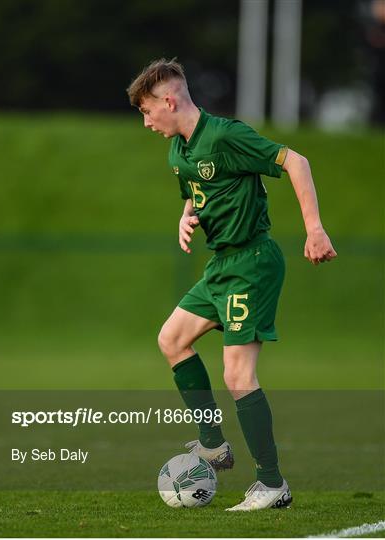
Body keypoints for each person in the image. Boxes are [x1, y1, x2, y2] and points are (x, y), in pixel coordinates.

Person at [127, 58, 337, 511]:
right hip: (220, 266)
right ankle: (214, 446)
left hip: (253, 262)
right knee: (172, 339)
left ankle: (271, 484)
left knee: (238, 375)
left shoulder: (225, 135)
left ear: (169, 100)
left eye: (147, 111)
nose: (146, 123)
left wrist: (314, 228)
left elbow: (295, 162)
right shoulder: (178, 153)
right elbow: (199, 196)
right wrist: (186, 218)